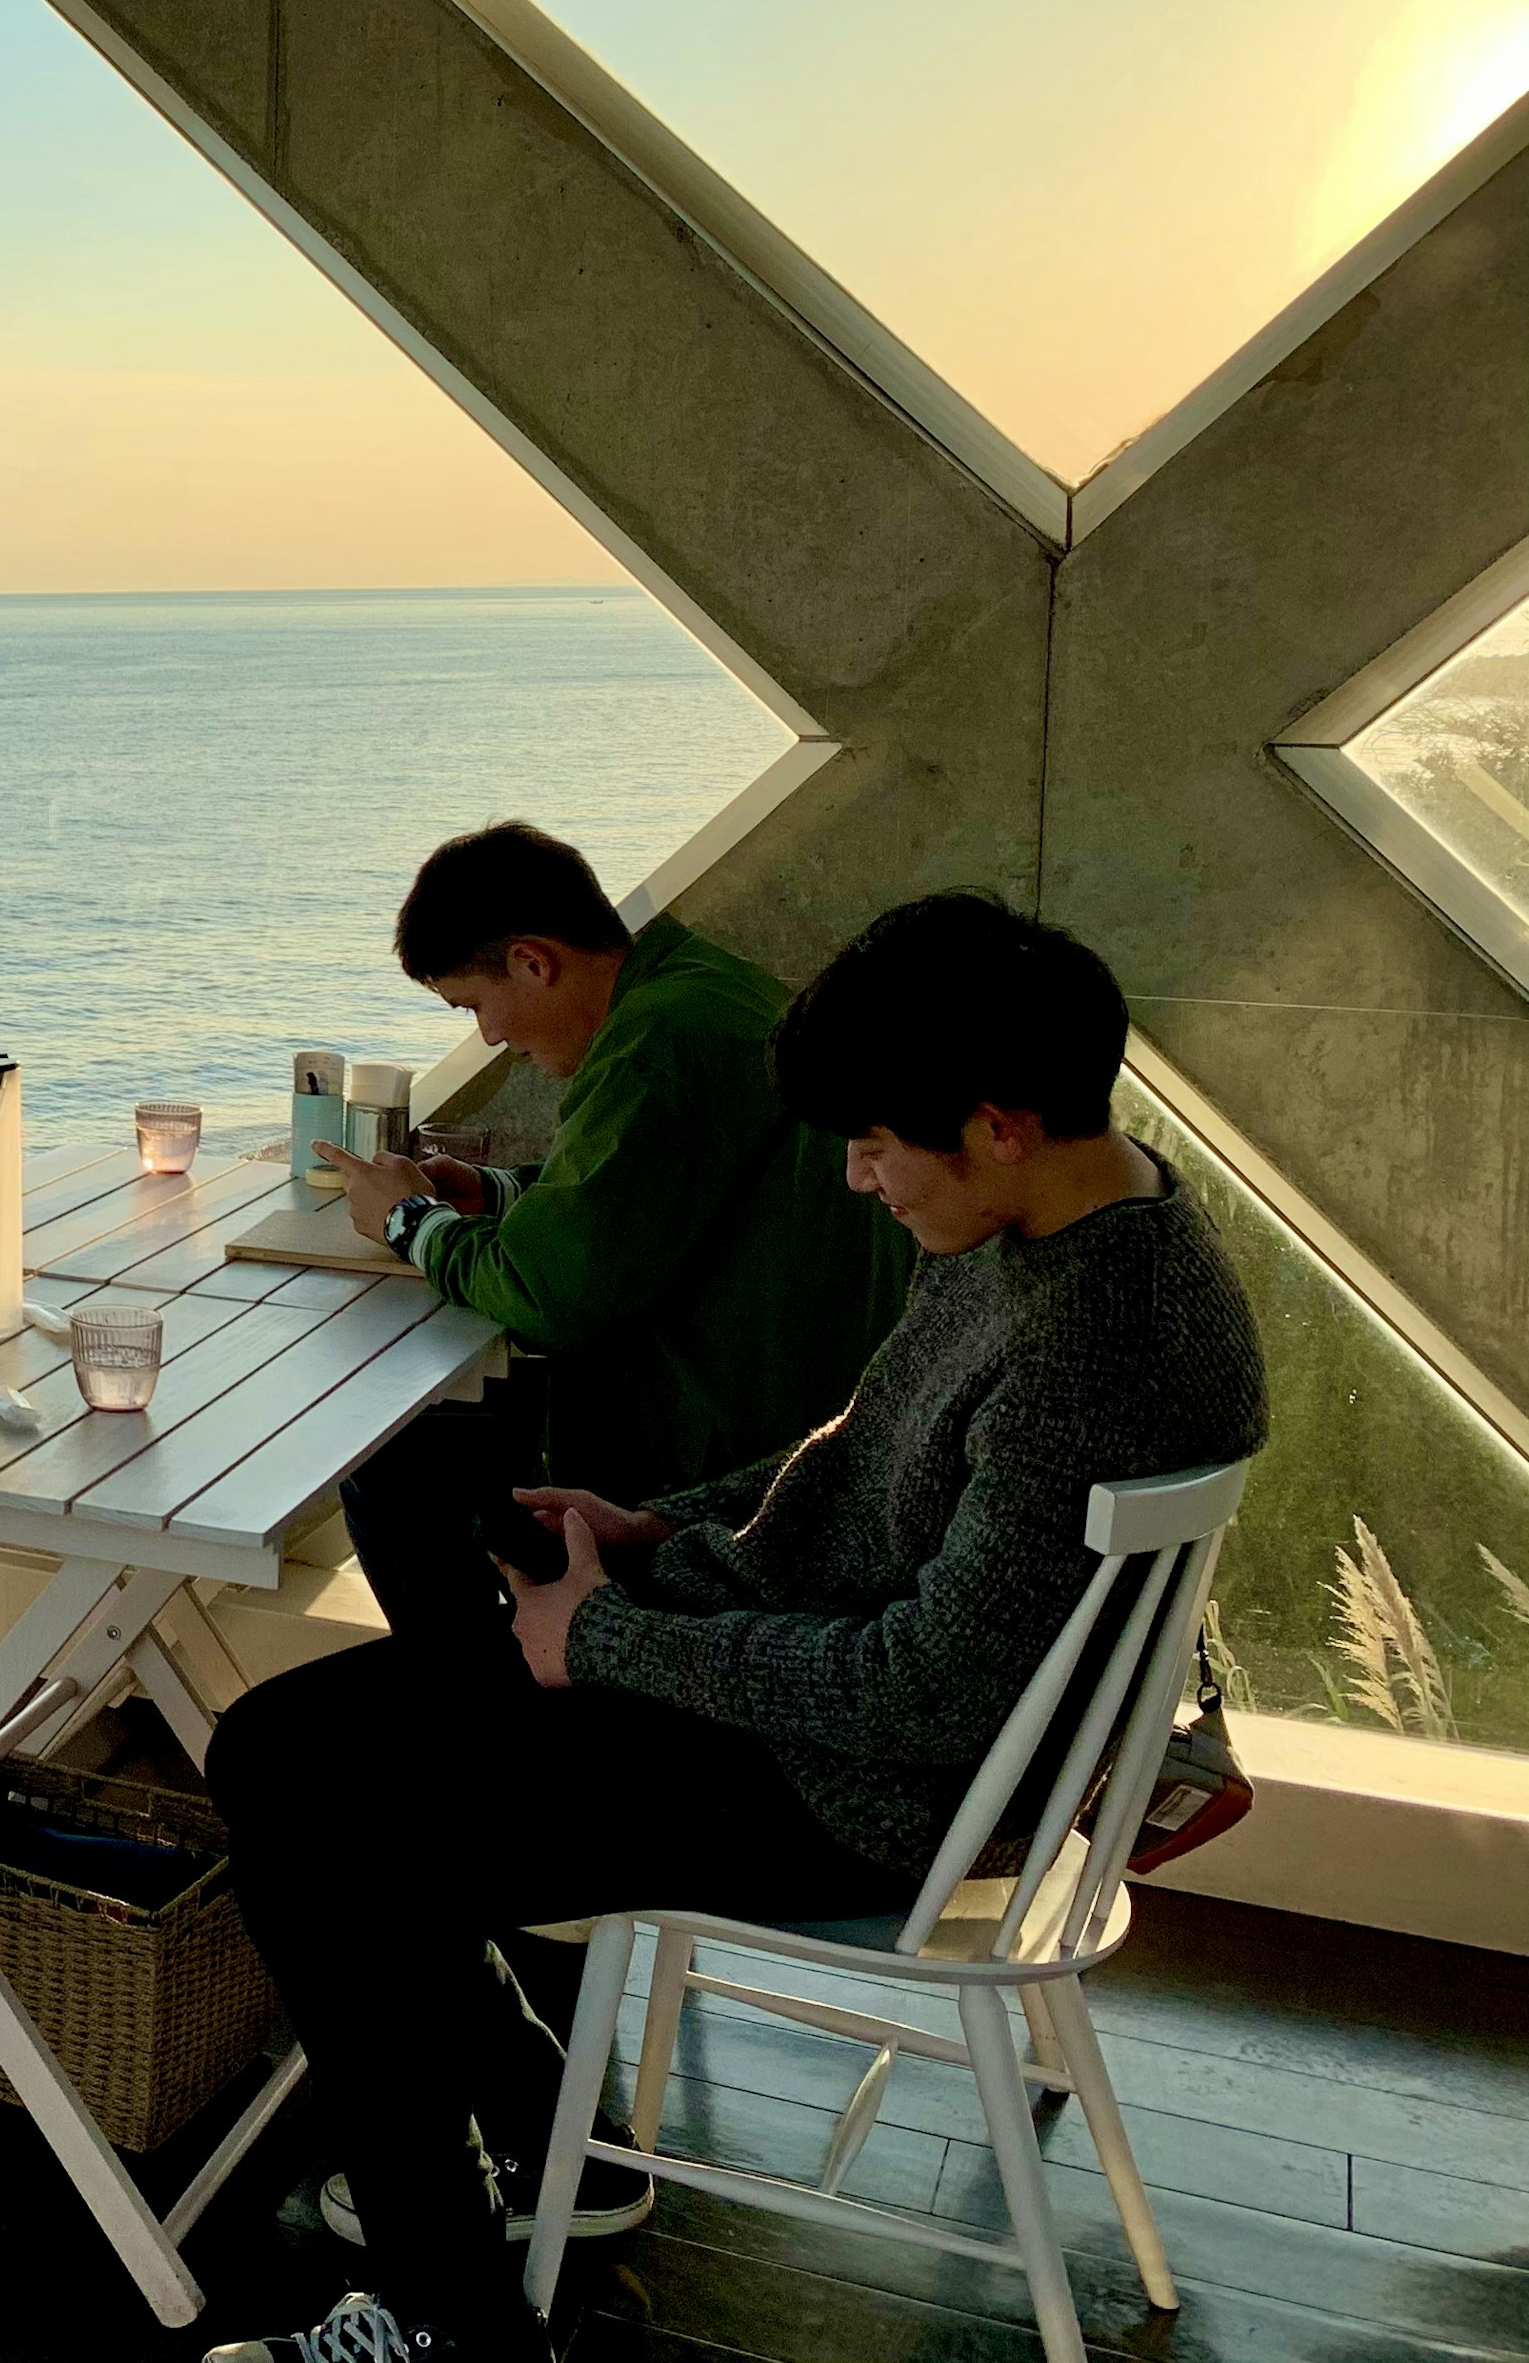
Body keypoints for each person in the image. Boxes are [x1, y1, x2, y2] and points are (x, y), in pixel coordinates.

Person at [199, 893, 1269, 2363]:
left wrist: (612, 1642)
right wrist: (659, 1532)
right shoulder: (1065, 1222)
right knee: (297, 1750)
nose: (856, 1178)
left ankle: (455, 2303)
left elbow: (926, 1692)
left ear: (1003, 1123)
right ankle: (532, 2137)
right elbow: (865, 1447)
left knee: (321, 1800)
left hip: (874, 1792)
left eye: (880, 1144)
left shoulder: (1099, 1347)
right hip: (848, 1720)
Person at [318, 825, 915, 1670]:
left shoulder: (655, 1047)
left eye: (474, 1005)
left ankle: (485, 1693)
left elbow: (551, 1296)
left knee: (396, 1456)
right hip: (793, 1391)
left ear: (533, 960)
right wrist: (497, 1193)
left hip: (721, 1435)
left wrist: (408, 1225)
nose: (488, 1037)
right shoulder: (707, 988)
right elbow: (665, 1200)